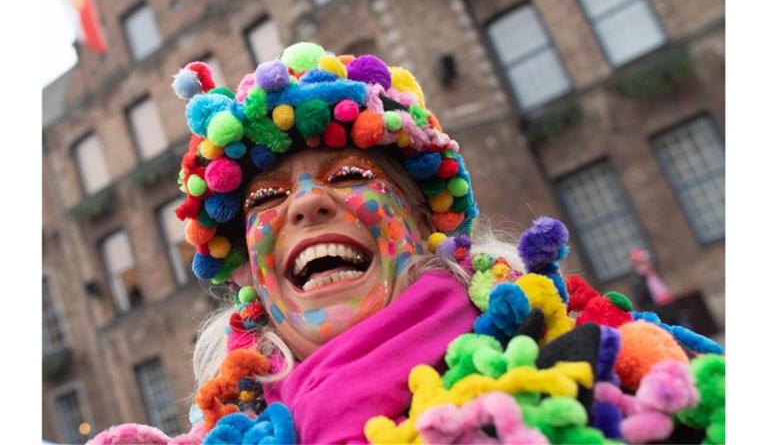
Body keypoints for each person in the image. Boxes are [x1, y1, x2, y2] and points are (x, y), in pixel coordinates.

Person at [89, 43, 724, 445]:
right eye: (265, 199)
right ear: (252, 274)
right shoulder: (222, 434)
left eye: (348, 176)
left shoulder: (603, 371)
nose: (307, 203)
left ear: (422, 224)